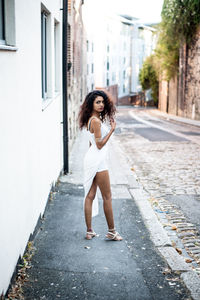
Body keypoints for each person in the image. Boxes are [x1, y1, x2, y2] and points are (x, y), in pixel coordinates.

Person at [79, 90, 123, 241]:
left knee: (90, 195)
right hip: (98, 160)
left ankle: (89, 231)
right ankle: (112, 232)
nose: (101, 105)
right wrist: (111, 130)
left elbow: (91, 143)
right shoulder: (96, 121)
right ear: (91, 103)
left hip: (91, 158)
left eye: (102, 102)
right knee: (107, 196)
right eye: (97, 102)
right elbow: (98, 145)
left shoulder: (90, 120)